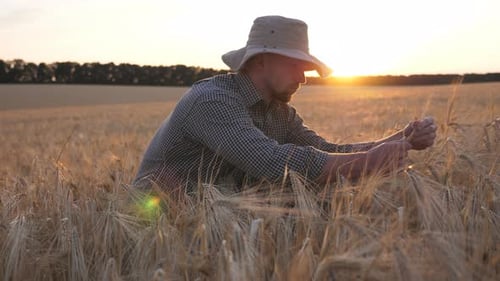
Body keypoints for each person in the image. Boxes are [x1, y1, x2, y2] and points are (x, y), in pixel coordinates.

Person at [133, 15, 437, 192]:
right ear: (261, 60)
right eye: (296, 66)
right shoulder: (213, 101)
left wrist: (402, 140)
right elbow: (271, 162)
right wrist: (368, 163)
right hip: (157, 224)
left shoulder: (279, 112)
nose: (303, 78)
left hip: (210, 223)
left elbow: (328, 152)